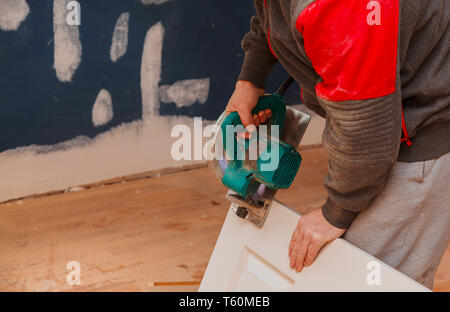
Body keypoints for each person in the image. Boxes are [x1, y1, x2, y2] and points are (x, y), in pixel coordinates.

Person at [225, 0, 450, 289]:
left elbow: (368, 129)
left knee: (370, 282)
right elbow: (272, 11)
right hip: (380, 128)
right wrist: (251, 78)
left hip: (420, 130)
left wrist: (337, 212)